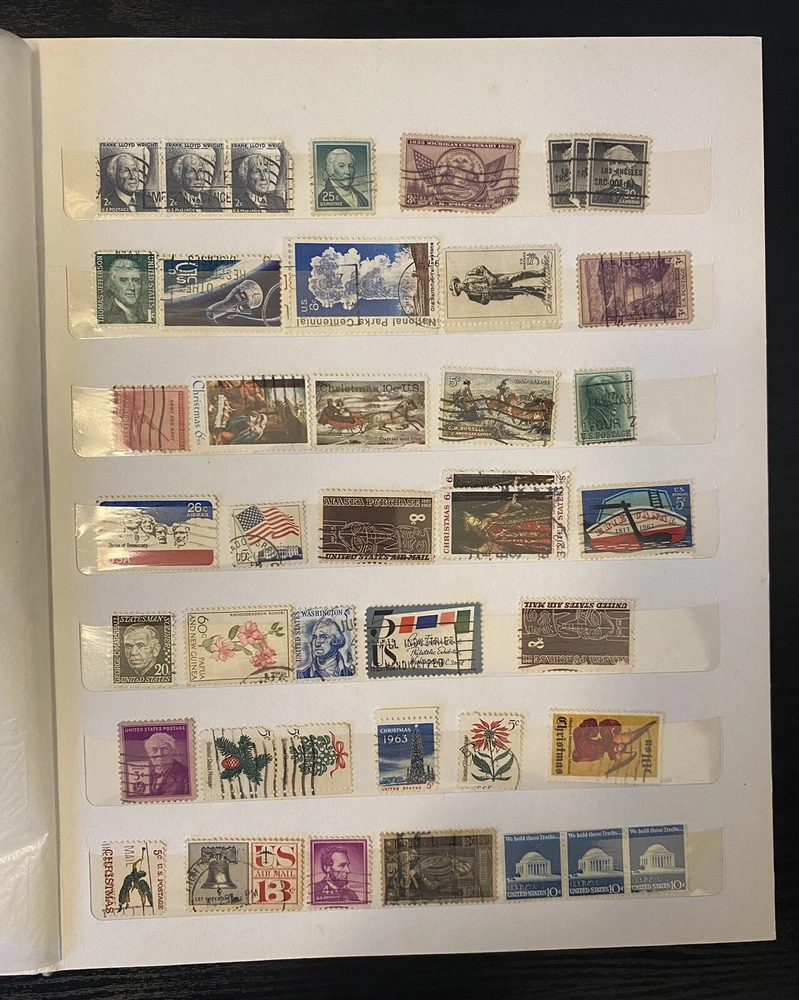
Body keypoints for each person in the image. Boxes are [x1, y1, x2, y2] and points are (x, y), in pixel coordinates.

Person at [448, 264, 548, 306]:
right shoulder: (471, 296)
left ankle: (540, 273)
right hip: (497, 293)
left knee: (519, 275)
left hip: (497, 281)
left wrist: (489, 277)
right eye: (457, 289)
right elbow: (484, 302)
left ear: (458, 282)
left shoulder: (469, 275)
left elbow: (481, 268)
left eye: (456, 285)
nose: (458, 287)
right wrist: (485, 296)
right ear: (459, 292)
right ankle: (540, 290)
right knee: (521, 290)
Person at [102, 258, 150, 324]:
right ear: (112, 285)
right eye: (124, 281)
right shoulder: (105, 319)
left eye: (136, 281)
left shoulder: (148, 318)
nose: (132, 287)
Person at [143, 732, 190, 796]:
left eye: (164, 749)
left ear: (173, 751)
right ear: (149, 754)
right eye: (154, 750)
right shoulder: (144, 774)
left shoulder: (187, 774)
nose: (159, 754)